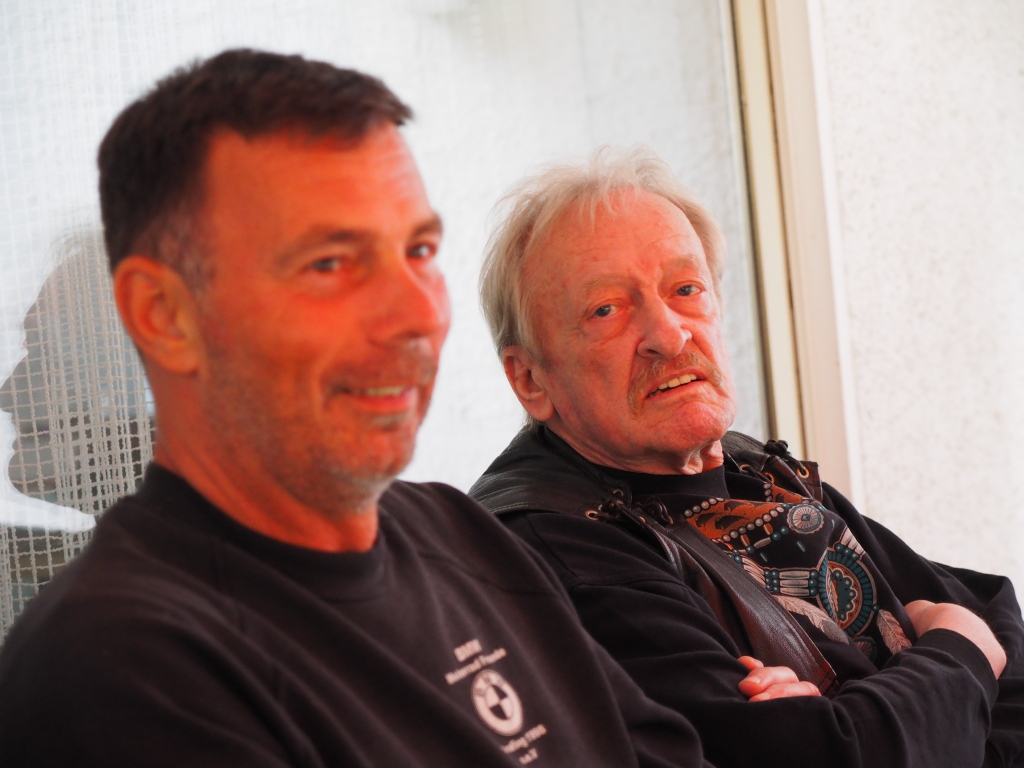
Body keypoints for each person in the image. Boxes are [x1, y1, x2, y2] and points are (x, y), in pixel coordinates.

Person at [0, 51, 711, 768]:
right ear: (164, 316)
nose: (416, 315)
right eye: (330, 264)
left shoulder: (459, 534)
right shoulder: (122, 669)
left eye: (418, 250)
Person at [471, 147, 1024, 768]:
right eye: (607, 310)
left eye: (686, 289)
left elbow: (995, 614)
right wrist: (960, 652)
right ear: (530, 379)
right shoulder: (561, 547)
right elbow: (825, 754)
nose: (669, 335)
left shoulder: (750, 468)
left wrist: (889, 698)